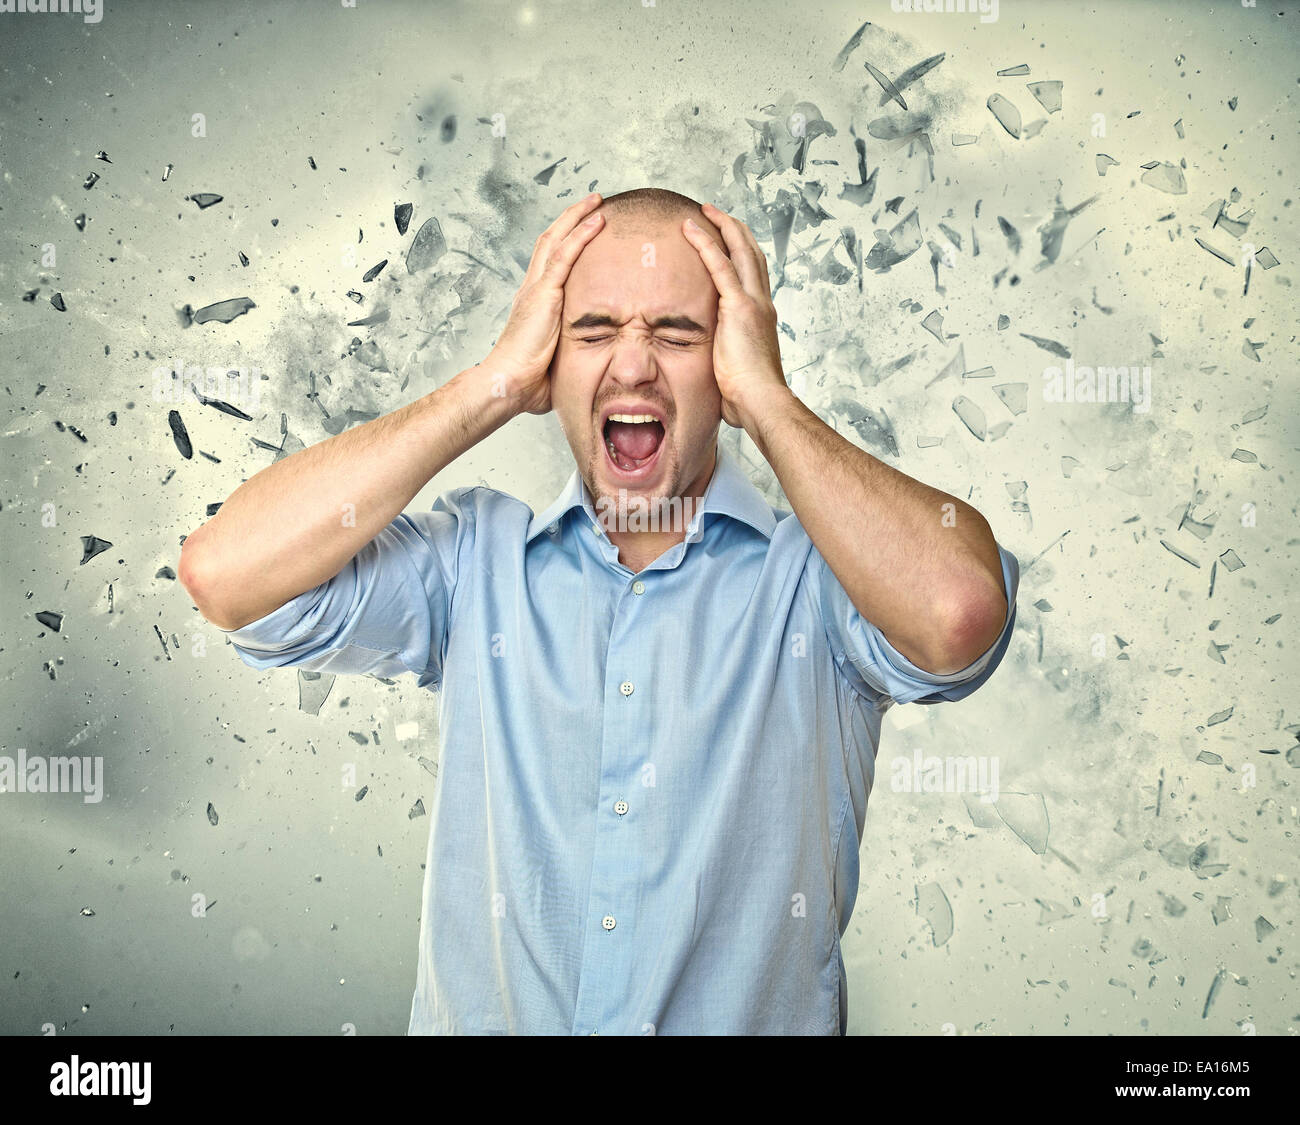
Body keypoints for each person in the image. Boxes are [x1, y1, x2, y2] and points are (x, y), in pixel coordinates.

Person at [178, 187, 1019, 1035]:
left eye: (677, 332)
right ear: (552, 360)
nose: (632, 365)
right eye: (592, 331)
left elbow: (958, 610)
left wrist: (769, 403)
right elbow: (225, 572)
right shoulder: (475, 563)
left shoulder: (818, 587)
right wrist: (491, 385)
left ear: (728, 361)